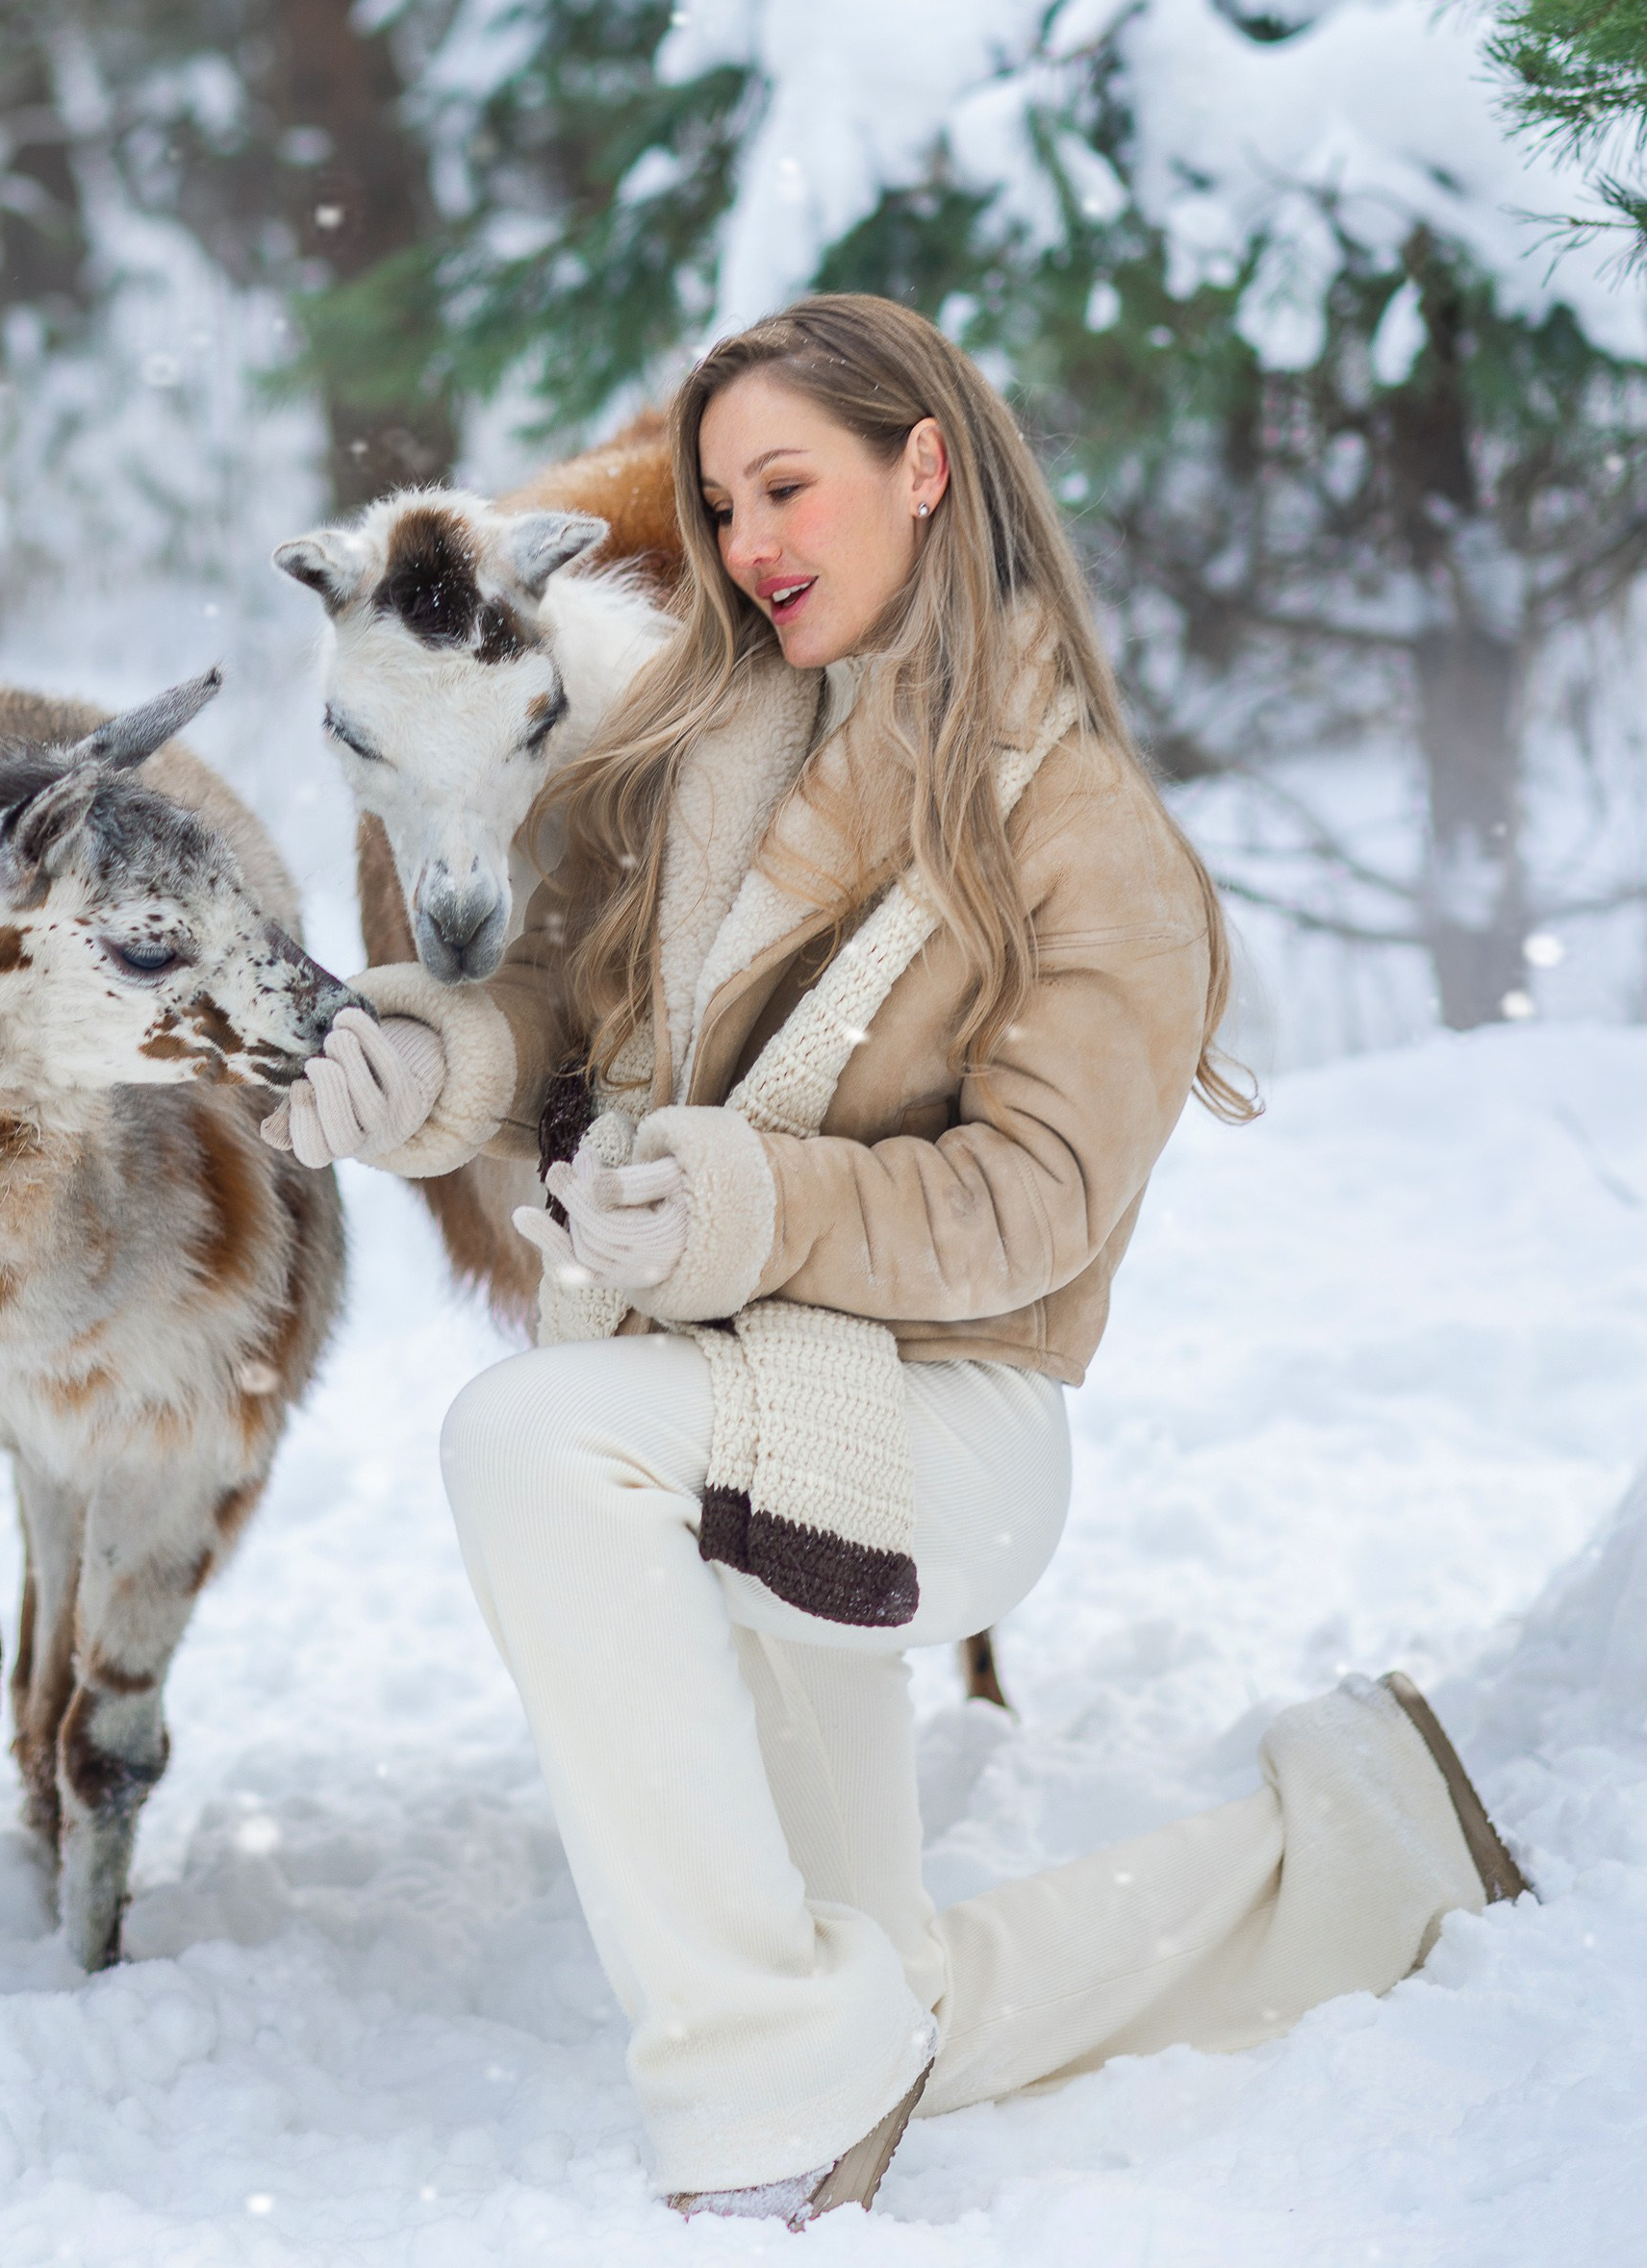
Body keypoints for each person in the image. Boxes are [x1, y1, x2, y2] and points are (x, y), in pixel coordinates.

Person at [273, 296, 1526, 2229]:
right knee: (880, 1974)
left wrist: (753, 1201)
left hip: (934, 1429)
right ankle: (1363, 1846)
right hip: (735, 1385)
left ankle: (757, 2094)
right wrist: (423, 1066)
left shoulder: (1085, 829)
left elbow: (1037, 1197)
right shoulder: (713, 746)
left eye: (789, 485)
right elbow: (566, 1009)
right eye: (717, 501)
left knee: (528, 1441)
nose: (749, 541)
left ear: (921, 468)